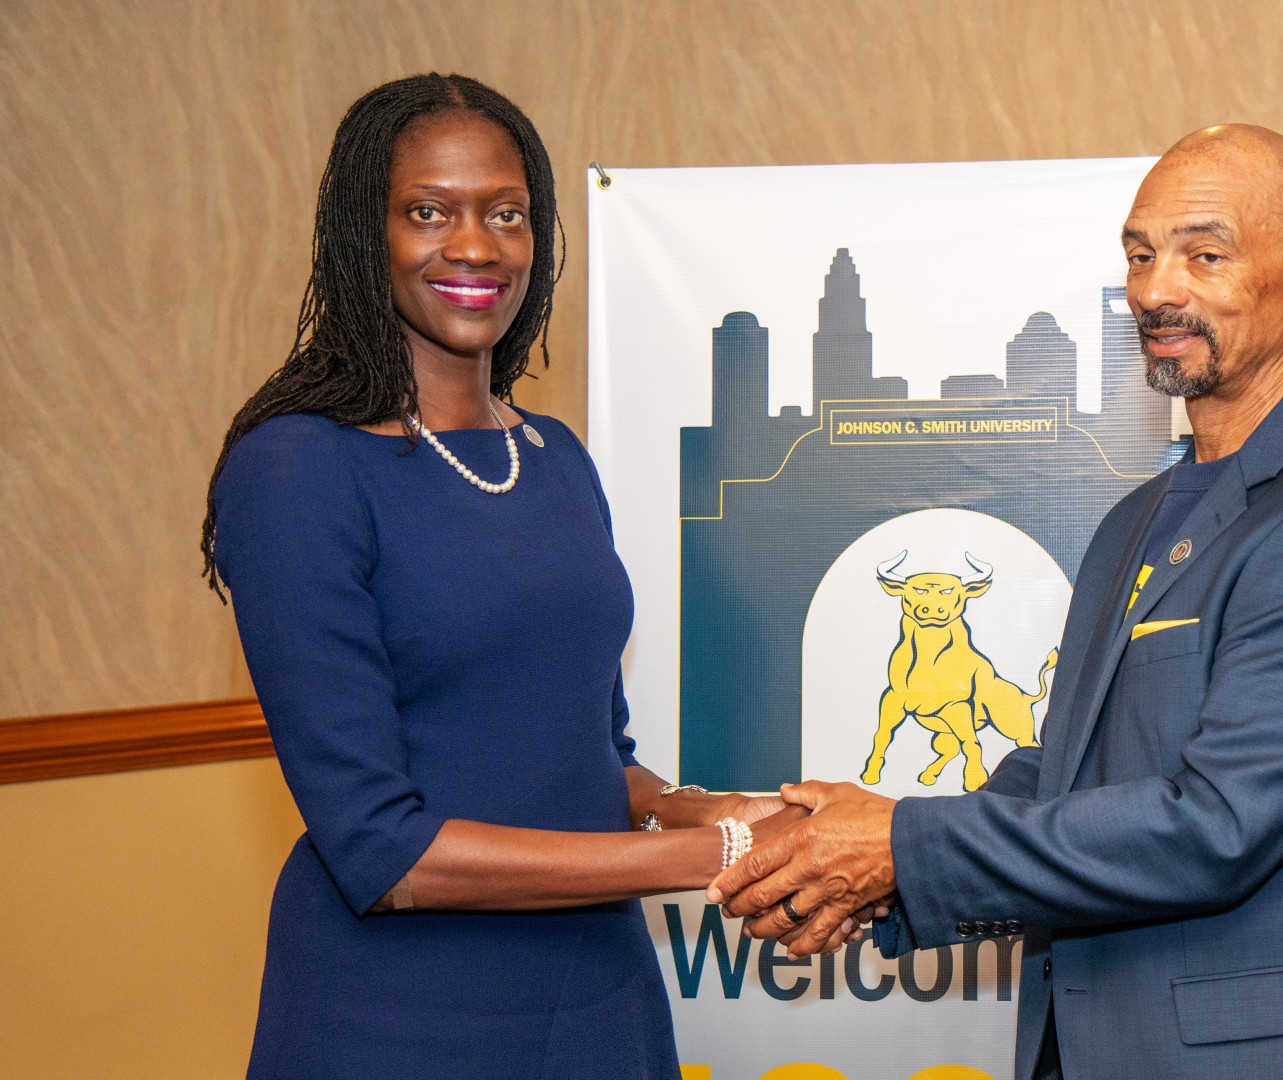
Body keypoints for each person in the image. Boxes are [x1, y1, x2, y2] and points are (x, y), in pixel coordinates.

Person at [710, 125, 1283, 1079]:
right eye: (1140, 254)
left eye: (1206, 254)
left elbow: (1219, 826)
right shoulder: (1136, 519)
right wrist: (870, 860)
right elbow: (1073, 771)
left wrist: (902, 846)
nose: (1158, 289)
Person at [201, 74, 839, 1079]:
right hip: (400, 1019)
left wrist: (688, 806)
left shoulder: (550, 453)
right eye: (429, 212)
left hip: (596, 993)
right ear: (363, 234)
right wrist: (710, 859)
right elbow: (384, 853)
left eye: (507, 213)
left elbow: (588, 750)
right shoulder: (296, 470)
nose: (474, 246)